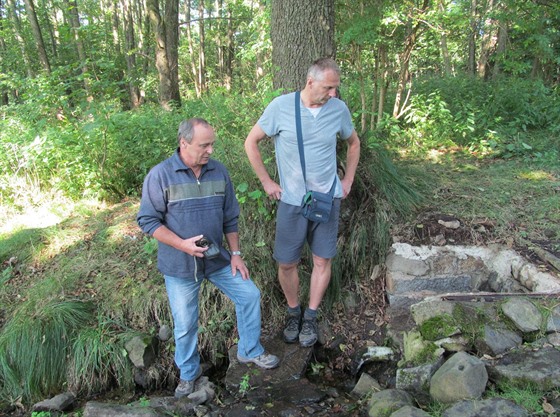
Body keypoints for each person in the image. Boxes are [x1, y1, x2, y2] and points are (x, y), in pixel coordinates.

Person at [137, 118, 279, 399]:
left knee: (249, 294)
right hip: (180, 265)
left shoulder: (218, 171)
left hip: (217, 259)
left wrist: (236, 255)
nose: (210, 150)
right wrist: (182, 244)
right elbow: (147, 221)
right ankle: (189, 376)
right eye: (204, 145)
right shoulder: (161, 175)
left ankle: (249, 350)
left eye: (212, 143)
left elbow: (230, 216)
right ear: (184, 143)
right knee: (186, 323)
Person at [244, 58, 361, 348]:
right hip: (293, 201)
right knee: (287, 263)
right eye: (328, 87)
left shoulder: (338, 110)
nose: (333, 93)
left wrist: (347, 182)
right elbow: (251, 141)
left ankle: (311, 316)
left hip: (327, 199)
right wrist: (266, 182)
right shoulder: (281, 107)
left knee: (323, 259)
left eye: (336, 88)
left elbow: (353, 143)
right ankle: (293, 311)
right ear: (310, 82)